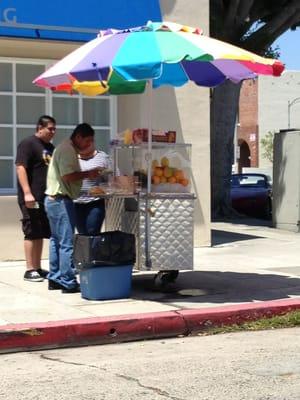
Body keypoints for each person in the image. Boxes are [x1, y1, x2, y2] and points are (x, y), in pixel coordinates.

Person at [44, 123, 101, 293]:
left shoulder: (64, 147)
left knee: (56, 240)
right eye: (87, 140)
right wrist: (88, 174)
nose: (89, 144)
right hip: (61, 200)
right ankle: (68, 281)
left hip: (52, 199)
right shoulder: (68, 150)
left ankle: (54, 278)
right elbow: (67, 176)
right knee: (67, 242)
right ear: (78, 137)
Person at [15, 115, 56, 282]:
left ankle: (37, 267)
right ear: (40, 127)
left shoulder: (50, 147)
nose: (53, 132)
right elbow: (21, 167)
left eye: (54, 129)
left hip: (44, 196)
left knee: (40, 232)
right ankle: (29, 269)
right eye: (50, 128)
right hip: (31, 196)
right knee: (31, 231)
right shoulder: (28, 144)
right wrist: (27, 192)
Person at [74, 143, 111, 235]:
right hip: (76, 202)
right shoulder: (72, 158)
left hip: (95, 202)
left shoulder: (103, 157)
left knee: (92, 231)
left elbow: (114, 177)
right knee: (82, 233)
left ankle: (94, 249)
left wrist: (105, 188)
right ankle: (87, 249)